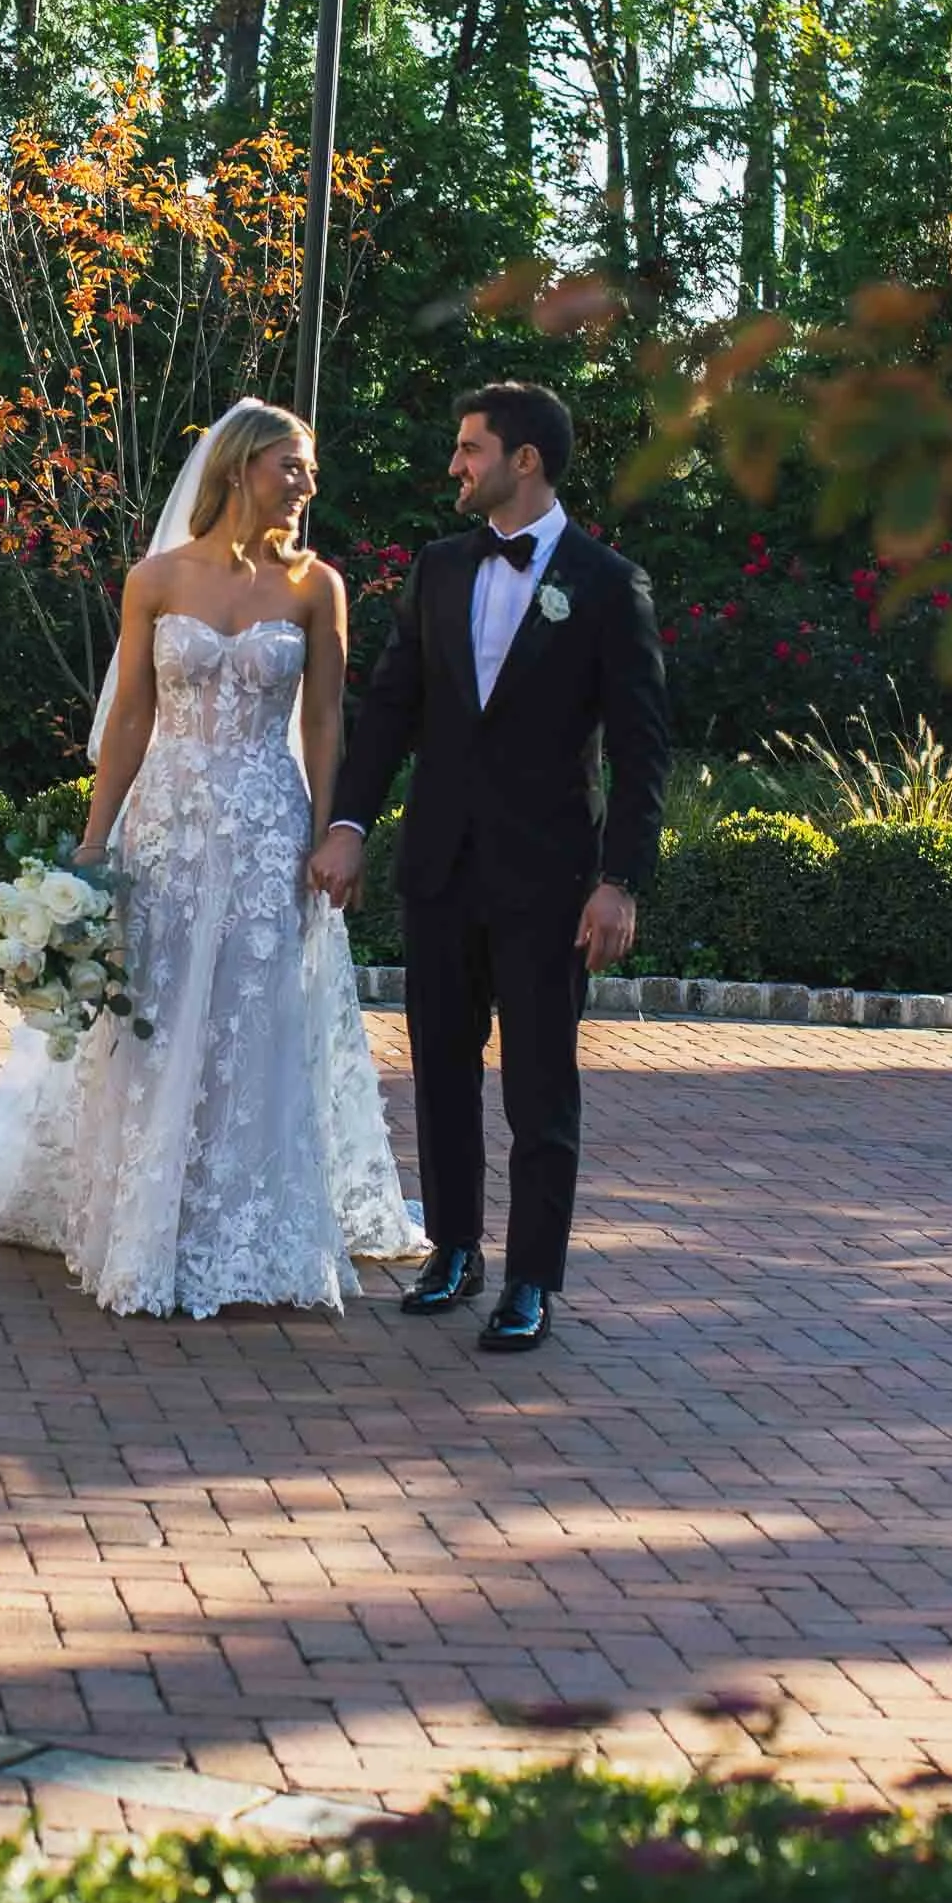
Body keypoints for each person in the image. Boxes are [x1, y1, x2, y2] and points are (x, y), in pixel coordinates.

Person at [0, 399, 425, 1317]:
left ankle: (246, 1224)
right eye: (290, 466)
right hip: (167, 827)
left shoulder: (316, 587)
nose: (305, 484)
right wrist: (94, 848)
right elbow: (132, 712)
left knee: (253, 1020)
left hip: (266, 829)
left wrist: (332, 833)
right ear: (239, 469)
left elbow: (328, 717)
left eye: (309, 470)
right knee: (160, 1015)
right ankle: (145, 1213)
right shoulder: (156, 579)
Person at [309, 382, 670, 1355]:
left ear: (524, 461)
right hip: (439, 863)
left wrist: (618, 880)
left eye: (469, 449)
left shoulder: (604, 584)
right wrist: (347, 819)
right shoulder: (434, 570)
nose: (454, 466)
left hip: (549, 879)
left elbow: (641, 751)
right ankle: (455, 1251)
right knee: (437, 1070)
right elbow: (387, 712)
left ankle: (532, 1282)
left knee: (540, 1085)